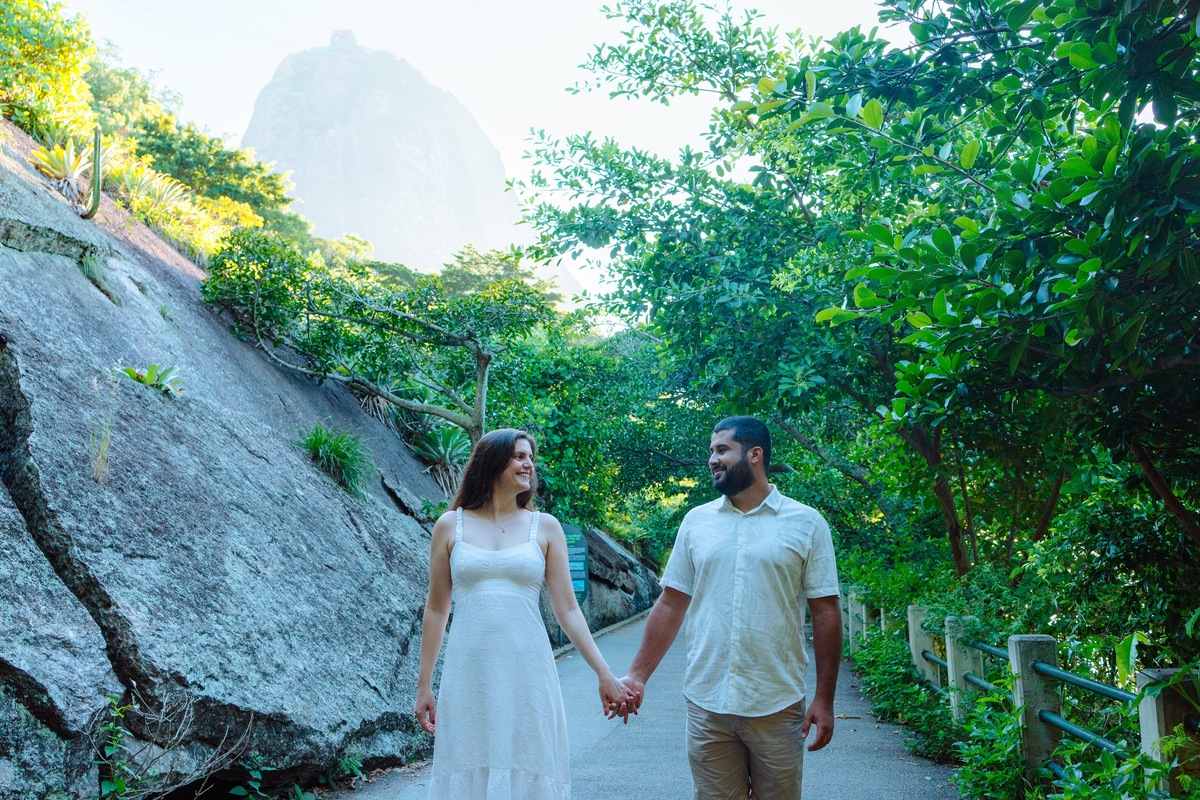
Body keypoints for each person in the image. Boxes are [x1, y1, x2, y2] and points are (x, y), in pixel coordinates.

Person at [613, 416, 842, 800]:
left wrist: (824, 698)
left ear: (755, 454)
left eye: (722, 450)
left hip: (776, 700)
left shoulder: (806, 523)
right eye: (711, 451)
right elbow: (671, 603)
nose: (712, 459)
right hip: (707, 702)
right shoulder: (696, 522)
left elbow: (826, 612)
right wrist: (637, 675)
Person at [415, 428, 634, 800]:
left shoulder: (544, 527)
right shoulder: (450, 525)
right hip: (469, 671)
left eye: (530, 457)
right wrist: (424, 685)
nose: (528, 464)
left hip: (528, 669)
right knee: (468, 759)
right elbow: (436, 608)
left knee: (528, 760)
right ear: (492, 461)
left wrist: (604, 673)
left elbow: (568, 609)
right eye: (519, 456)